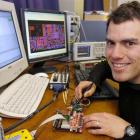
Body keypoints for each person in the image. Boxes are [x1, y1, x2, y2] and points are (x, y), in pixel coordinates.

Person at [75, 1, 140, 139]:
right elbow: (104, 66)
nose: (115, 55)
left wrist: (128, 131)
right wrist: (92, 81)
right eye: (111, 43)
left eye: (130, 43)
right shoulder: (127, 71)